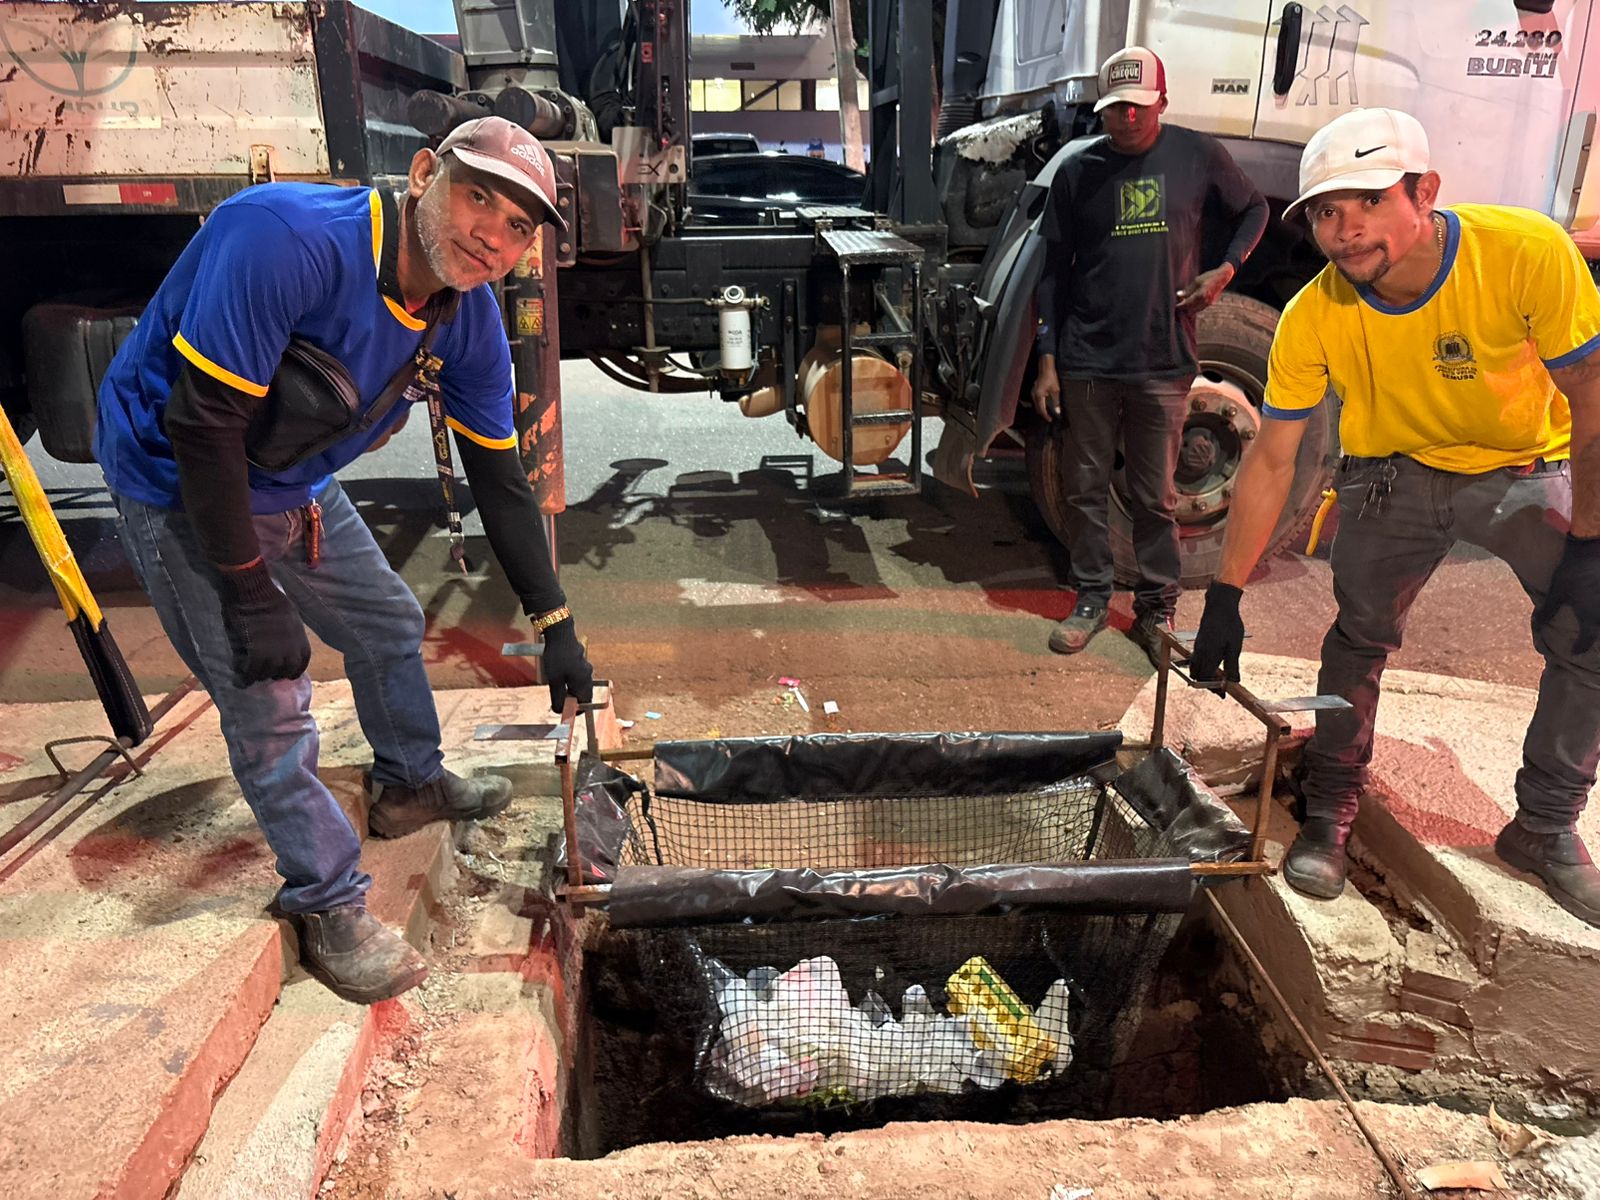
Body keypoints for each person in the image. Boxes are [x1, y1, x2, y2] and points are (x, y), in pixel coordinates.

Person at [94, 117, 598, 1000]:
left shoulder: (468, 318)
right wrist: (250, 592)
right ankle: (327, 901)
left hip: (290, 475)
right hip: (178, 473)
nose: (492, 234)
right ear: (424, 173)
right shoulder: (285, 240)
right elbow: (202, 424)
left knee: (387, 621)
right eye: (479, 196)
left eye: (519, 225)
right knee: (269, 698)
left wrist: (555, 623)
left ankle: (411, 784)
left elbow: (499, 479)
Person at [1190, 107, 1600, 929]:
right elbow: (1272, 458)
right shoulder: (1315, 313)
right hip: (1392, 479)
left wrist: (1590, 545)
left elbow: (1591, 396)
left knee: (1592, 634)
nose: (1346, 230)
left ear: (1426, 191)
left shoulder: (1524, 252)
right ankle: (1330, 811)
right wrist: (1224, 595)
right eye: (1326, 212)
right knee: (1359, 637)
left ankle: (1544, 825)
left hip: (1522, 470)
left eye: (1370, 201)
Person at [1034, 46, 1268, 667]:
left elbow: (1255, 209)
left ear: (1161, 101)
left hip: (1163, 359)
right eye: (1117, 109)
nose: (1128, 118)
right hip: (1087, 360)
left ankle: (1157, 610)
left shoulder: (1197, 155)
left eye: (1139, 107)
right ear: (1104, 110)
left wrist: (1225, 270)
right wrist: (1048, 360)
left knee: (1155, 496)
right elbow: (1051, 272)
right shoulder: (1078, 172)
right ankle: (1090, 598)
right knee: (1084, 489)